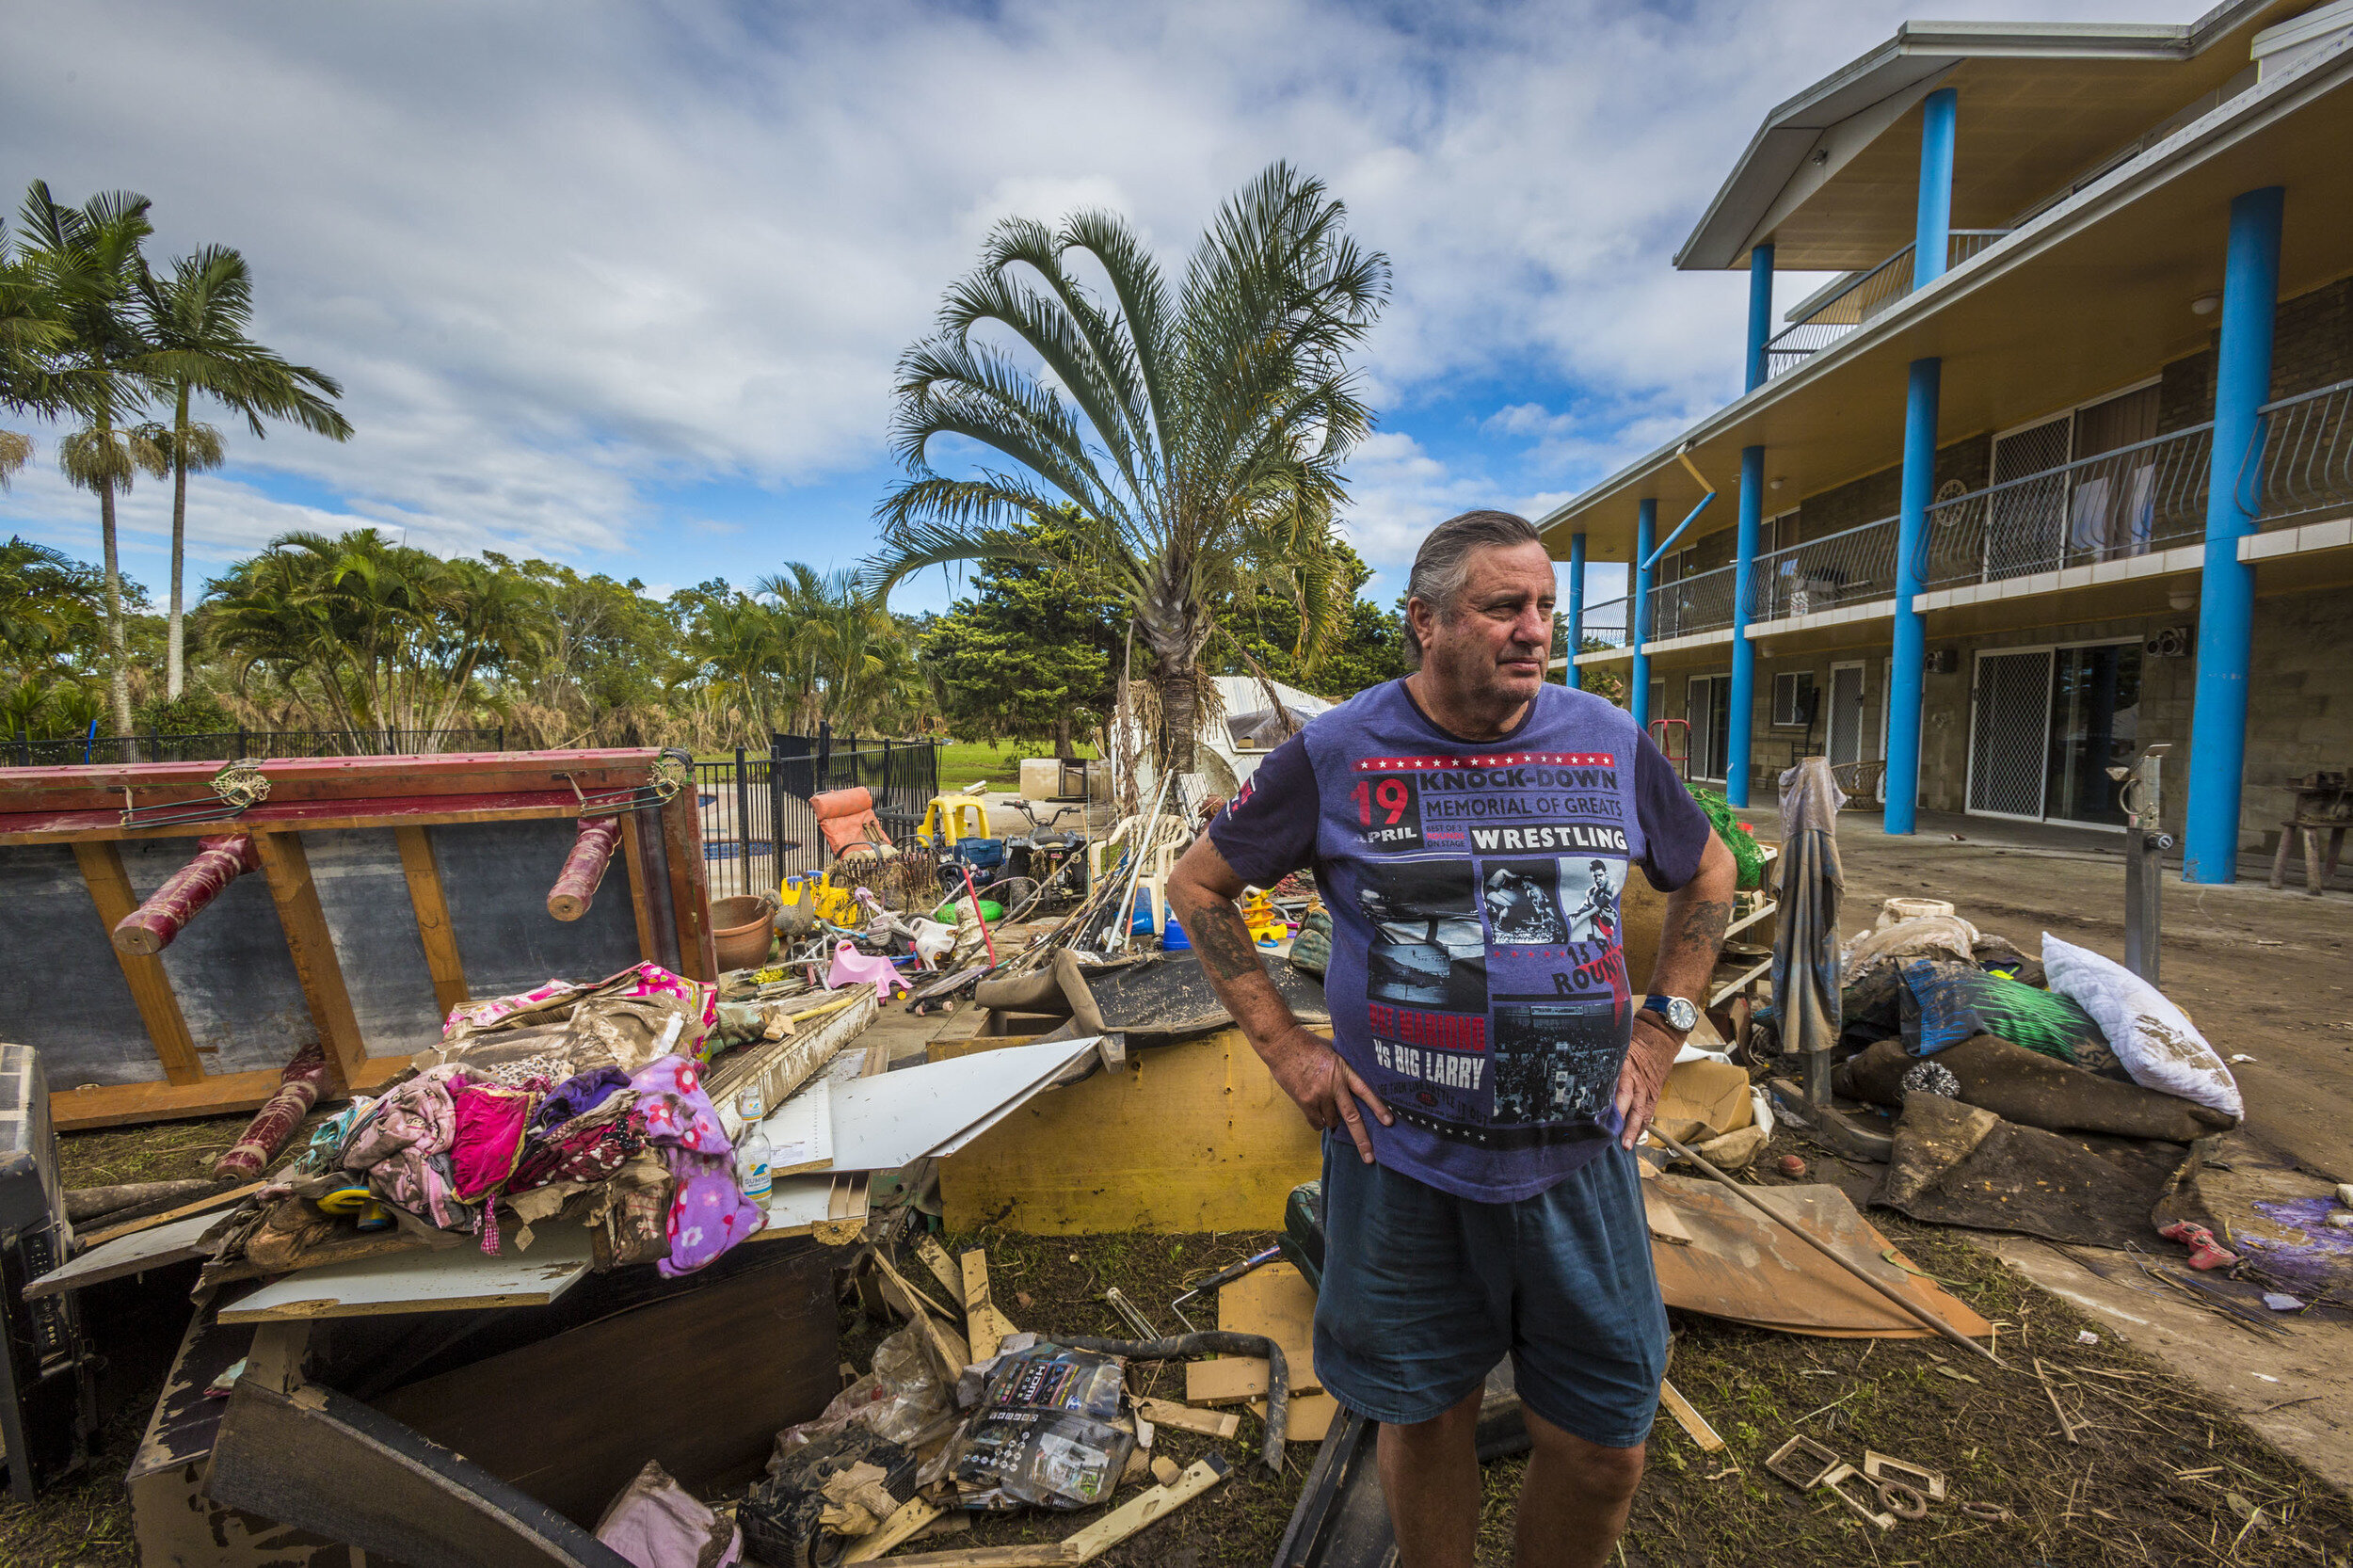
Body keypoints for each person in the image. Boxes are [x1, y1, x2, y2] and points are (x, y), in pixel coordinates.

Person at [1165, 509, 1737, 1568]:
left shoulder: (1606, 738)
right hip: (1403, 1161)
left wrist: (1660, 1032)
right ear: (1424, 621)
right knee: (1424, 1419)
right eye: (1502, 606)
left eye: (1544, 609)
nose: (1533, 630)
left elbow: (1708, 870)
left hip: (1577, 1157)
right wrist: (1290, 1048)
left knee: (1605, 1437)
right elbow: (1197, 884)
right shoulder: (1336, 750)